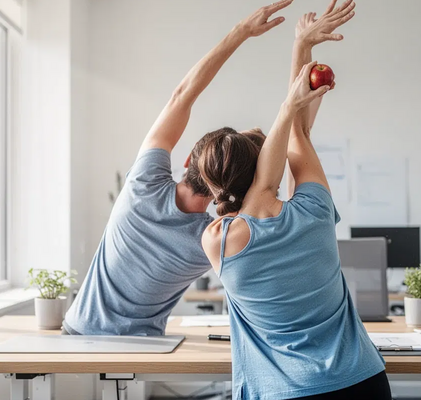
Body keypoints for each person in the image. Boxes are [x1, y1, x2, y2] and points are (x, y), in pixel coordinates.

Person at [198, 1, 392, 398]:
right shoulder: (315, 210)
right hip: (363, 383)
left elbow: (274, 171)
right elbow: (298, 140)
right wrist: (300, 50)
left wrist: (295, 91)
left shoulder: (220, 240)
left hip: (285, 392)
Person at [63, 1, 292, 336]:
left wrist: (241, 31)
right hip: (140, 350)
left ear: (187, 161)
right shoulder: (211, 239)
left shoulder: (144, 184)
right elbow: (264, 194)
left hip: (79, 331)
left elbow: (181, 96)